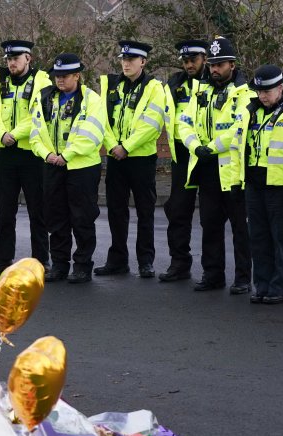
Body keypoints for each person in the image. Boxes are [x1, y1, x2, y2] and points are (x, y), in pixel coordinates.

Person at [178, 36, 253, 294]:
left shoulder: (245, 93)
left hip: (231, 169)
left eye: (220, 65)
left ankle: (243, 277)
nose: (214, 69)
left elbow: (239, 128)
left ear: (232, 65)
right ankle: (213, 274)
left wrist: (211, 147)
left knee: (240, 228)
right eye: (212, 64)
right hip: (206, 167)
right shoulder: (200, 90)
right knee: (210, 224)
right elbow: (183, 122)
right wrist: (194, 146)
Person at [29, 53, 107, 284]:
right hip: (52, 164)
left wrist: (67, 155)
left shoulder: (91, 100)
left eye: (64, 76)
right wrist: (48, 155)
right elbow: (36, 133)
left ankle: (82, 266)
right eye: (57, 76)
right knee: (56, 217)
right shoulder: (45, 97)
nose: (60, 80)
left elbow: (92, 134)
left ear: (77, 75)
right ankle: (60, 265)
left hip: (81, 167)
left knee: (82, 217)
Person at [237, 65, 283, 304]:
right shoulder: (251, 112)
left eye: (267, 90)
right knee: (258, 239)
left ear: (280, 87)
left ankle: (279, 287)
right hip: (255, 187)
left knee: (281, 240)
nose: (263, 95)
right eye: (259, 91)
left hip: (281, 189)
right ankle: (262, 285)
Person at [96, 40, 167, 278]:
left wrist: (126, 146)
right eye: (123, 60)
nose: (125, 64)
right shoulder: (113, 85)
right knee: (116, 211)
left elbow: (153, 123)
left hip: (141, 159)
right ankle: (117, 260)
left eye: (131, 60)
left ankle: (145, 261)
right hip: (116, 157)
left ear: (143, 62)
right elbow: (103, 119)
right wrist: (112, 146)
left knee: (145, 212)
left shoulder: (154, 87)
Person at [0, 39, 51, 274]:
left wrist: (14, 134)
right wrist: (2, 134)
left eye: (15, 59)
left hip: (31, 152)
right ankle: (2, 259)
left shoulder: (41, 81)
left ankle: (41, 260)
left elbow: (38, 113)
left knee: (37, 209)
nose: (11, 63)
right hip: (6, 152)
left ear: (28, 59)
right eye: (9, 59)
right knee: (5, 209)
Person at [160, 40, 209, 282]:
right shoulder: (175, 83)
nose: (189, 64)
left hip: (209, 154)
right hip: (182, 154)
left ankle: (214, 270)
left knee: (213, 214)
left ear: (205, 58)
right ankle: (179, 262)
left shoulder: (214, 81)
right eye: (186, 61)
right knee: (178, 209)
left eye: (194, 60)